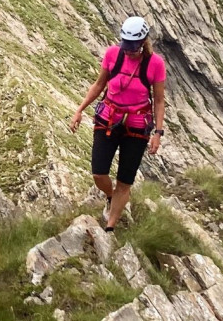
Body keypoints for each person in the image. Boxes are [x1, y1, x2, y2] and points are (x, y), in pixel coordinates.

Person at [68, 16, 167, 230]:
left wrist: (158, 133)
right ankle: (111, 196)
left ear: (143, 42)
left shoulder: (155, 64)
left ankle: (110, 227)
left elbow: (159, 100)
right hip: (108, 119)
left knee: (125, 180)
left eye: (133, 46)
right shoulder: (113, 54)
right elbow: (99, 84)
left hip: (137, 126)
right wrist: (79, 110)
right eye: (126, 44)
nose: (129, 50)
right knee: (98, 172)